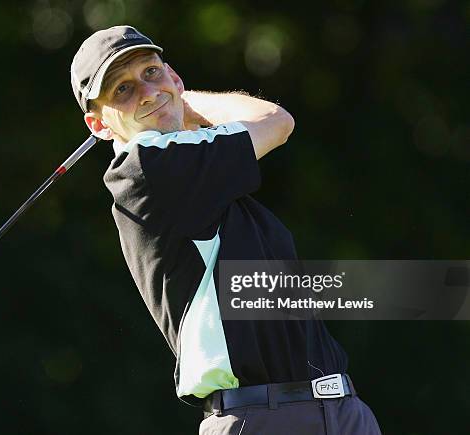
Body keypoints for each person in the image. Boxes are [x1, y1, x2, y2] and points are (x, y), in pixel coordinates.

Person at [70, 25, 382, 435]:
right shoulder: (146, 168)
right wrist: (177, 98)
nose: (146, 92)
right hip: (263, 419)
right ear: (99, 126)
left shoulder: (193, 169)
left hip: (341, 411)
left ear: (173, 75)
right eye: (122, 91)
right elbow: (275, 121)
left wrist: (173, 99)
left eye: (151, 73)